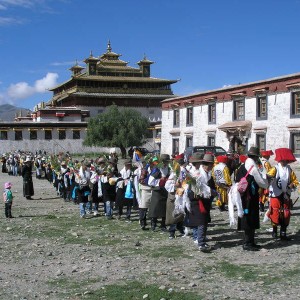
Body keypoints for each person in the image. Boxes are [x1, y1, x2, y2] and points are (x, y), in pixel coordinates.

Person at [235, 147, 269, 251]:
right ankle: (247, 243)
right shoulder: (252, 168)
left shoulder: (242, 166)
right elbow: (262, 183)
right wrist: (268, 182)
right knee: (249, 218)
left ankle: (251, 241)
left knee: (249, 217)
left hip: (244, 197)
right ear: (255, 157)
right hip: (250, 197)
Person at [267, 148, 299, 240]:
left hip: (286, 194)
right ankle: (274, 230)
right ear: (280, 159)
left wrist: (292, 185)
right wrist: (269, 179)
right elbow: (268, 178)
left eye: (286, 160)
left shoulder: (289, 170)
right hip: (275, 194)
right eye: (283, 160)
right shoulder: (274, 169)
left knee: (286, 213)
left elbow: (295, 181)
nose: (285, 162)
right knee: (275, 212)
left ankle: (283, 232)